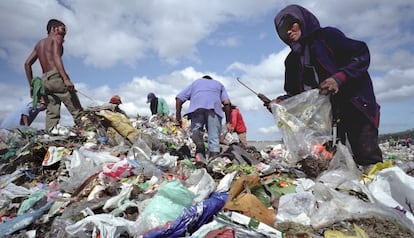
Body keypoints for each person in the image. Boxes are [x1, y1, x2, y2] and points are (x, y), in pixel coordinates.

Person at [272, 4, 382, 166]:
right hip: (328, 116)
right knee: (333, 159)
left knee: (366, 155)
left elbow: (361, 55)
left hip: (356, 105)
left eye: (291, 24)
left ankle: (379, 185)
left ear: (301, 21)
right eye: (282, 31)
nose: (288, 31)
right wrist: (281, 102)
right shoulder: (292, 61)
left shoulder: (328, 37)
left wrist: (338, 78)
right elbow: (295, 93)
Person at [24, 19, 83, 132]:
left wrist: (32, 86)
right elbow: (56, 57)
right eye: (62, 29)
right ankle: (90, 134)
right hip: (56, 78)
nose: (65, 33)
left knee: (52, 113)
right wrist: (65, 79)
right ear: (53, 29)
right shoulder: (55, 39)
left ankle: (50, 138)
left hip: (45, 81)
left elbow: (27, 64)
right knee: (77, 111)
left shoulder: (39, 44)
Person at [175, 75, 232, 160]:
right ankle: (214, 160)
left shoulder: (196, 83)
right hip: (214, 109)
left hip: (197, 108)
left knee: (196, 131)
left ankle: (199, 148)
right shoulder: (219, 84)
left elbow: (179, 98)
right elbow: (227, 103)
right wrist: (228, 121)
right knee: (214, 137)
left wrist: (178, 117)